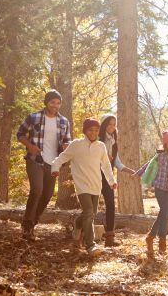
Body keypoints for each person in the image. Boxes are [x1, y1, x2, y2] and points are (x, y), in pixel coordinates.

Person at [50, 118, 117, 256]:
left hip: (96, 184)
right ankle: (90, 245)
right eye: (90, 130)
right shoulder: (76, 145)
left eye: (96, 130)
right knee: (89, 212)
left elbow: (106, 165)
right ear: (85, 131)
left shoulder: (101, 146)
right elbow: (62, 157)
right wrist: (54, 168)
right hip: (82, 185)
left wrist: (111, 181)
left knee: (90, 213)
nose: (93, 133)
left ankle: (77, 224)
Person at [16, 90, 71, 241]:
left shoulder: (64, 121)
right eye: (52, 102)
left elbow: (67, 140)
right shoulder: (33, 117)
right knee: (36, 190)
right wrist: (30, 146)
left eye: (58, 103)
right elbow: (20, 134)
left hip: (53, 163)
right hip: (35, 159)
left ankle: (33, 223)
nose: (55, 105)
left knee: (47, 195)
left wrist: (66, 151)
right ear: (46, 102)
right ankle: (27, 224)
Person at [135, 130, 168, 259]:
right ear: (165, 145)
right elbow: (148, 165)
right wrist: (138, 173)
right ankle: (162, 241)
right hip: (160, 187)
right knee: (165, 211)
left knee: (165, 214)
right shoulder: (160, 156)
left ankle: (151, 237)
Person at [98, 114, 137, 247]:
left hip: (108, 178)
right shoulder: (97, 140)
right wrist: (102, 156)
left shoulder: (114, 143)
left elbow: (118, 163)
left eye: (114, 124)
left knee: (110, 205)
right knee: (91, 206)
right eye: (109, 124)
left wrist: (132, 172)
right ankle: (80, 231)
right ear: (103, 125)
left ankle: (109, 238)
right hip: (94, 175)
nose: (112, 127)